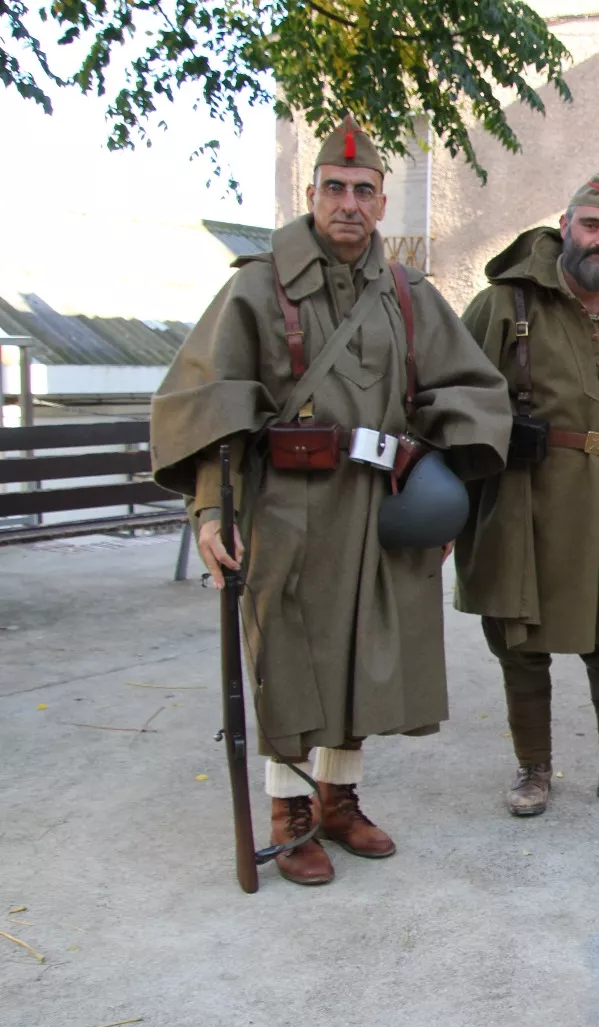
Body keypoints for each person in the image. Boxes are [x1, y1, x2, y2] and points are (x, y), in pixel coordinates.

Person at [151, 119, 512, 885]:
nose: (348, 203)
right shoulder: (256, 286)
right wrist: (212, 510)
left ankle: (338, 797)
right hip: (284, 502)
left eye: (363, 192)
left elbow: (474, 391)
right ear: (309, 194)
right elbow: (208, 406)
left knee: (365, 653)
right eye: (333, 189)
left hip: (377, 506)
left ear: (382, 204)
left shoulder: (410, 295)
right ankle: (289, 813)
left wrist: (440, 491)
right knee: (289, 653)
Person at [454, 173, 599, 819]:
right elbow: (451, 397)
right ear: (565, 228)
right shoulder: (504, 305)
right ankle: (533, 771)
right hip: (521, 496)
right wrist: (448, 496)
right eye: (592, 225)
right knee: (521, 643)